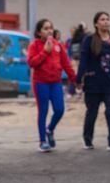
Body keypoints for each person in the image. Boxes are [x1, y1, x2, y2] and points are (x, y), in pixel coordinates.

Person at [77, 11, 110, 152]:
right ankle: (87, 140)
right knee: (92, 113)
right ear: (96, 23)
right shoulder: (89, 40)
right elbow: (83, 61)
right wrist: (79, 79)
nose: (105, 21)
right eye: (102, 19)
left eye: (107, 19)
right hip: (93, 84)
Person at [27, 18, 76, 152]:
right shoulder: (35, 45)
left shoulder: (58, 45)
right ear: (39, 32)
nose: (49, 30)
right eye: (46, 28)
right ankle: (43, 141)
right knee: (43, 111)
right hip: (41, 83)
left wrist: (75, 79)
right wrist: (45, 52)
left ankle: (50, 129)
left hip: (56, 83)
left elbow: (66, 64)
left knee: (59, 110)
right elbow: (31, 62)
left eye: (51, 28)